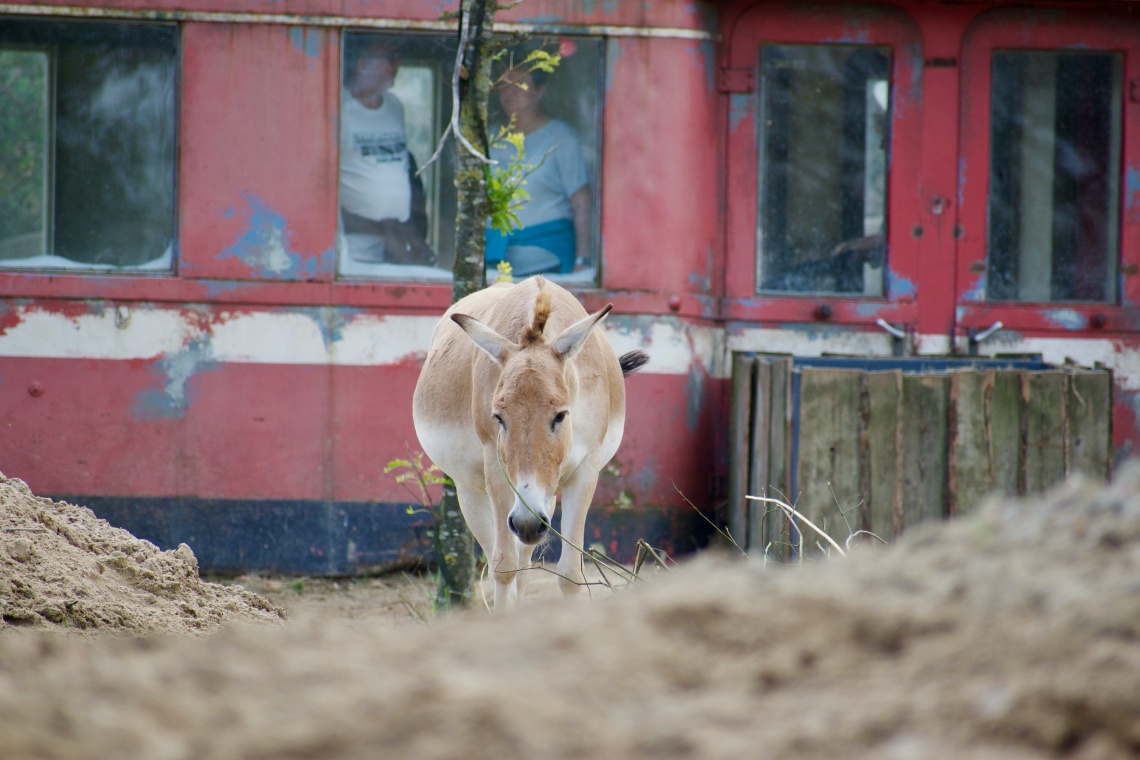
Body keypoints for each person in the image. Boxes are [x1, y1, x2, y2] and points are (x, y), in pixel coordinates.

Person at [486, 65, 590, 276]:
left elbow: (582, 202)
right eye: (504, 84)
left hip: (549, 263)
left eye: (520, 84)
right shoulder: (490, 137)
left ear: (540, 91)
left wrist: (582, 260)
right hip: (495, 264)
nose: (510, 91)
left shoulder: (561, 137)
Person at [339, 36, 434, 266]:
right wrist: (380, 228)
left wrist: (411, 235)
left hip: (397, 246)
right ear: (362, 64)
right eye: (390, 58)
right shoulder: (337, 107)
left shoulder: (393, 106)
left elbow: (399, 172)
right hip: (351, 251)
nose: (397, 64)